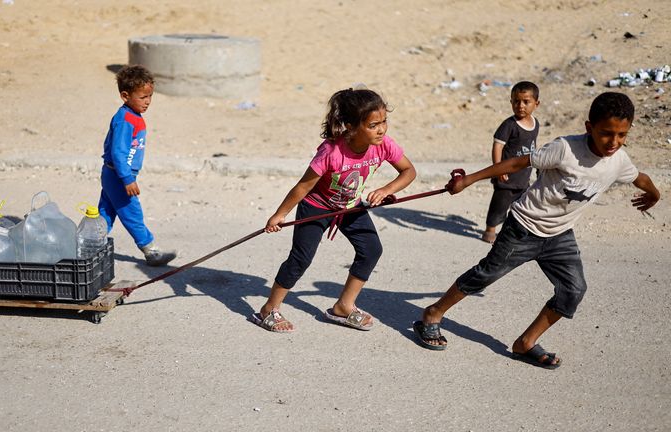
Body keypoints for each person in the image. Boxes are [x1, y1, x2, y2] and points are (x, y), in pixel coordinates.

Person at [413, 92, 660, 369]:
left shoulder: (619, 160)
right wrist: (469, 180)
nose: (613, 142)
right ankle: (433, 314)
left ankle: (525, 343)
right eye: (606, 133)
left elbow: (640, 177)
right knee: (485, 274)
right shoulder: (565, 149)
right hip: (523, 227)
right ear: (589, 127)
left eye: (621, 135)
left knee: (573, 290)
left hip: (559, 235)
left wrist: (654, 194)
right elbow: (519, 162)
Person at [251, 87, 417, 332]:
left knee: (371, 250)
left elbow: (409, 171)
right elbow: (303, 187)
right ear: (350, 126)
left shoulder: (384, 145)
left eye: (384, 122)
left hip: (350, 207)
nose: (381, 129)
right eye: (373, 125)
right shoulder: (331, 152)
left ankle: (343, 306)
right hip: (317, 207)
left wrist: (386, 189)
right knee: (300, 260)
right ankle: (268, 310)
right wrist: (280, 214)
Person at [98, 65, 176, 267]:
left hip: (114, 174)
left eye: (150, 96)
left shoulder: (132, 116)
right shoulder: (124, 120)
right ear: (125, 96)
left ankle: (88, 245)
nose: (148, 102)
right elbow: (118, 152)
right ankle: (150, 250)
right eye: (143, 97)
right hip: (118, 175)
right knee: (132, 213)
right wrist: (127, 179)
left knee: (105, 212)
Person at [482, 81, 540, 244]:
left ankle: (510, 232)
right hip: (506, 176)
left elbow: (533, 146)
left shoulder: (535, 124)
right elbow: (497, 146)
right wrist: (498, 169)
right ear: (511, 102)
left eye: (526, 102)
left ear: (536, 103)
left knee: (520, 206)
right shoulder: (509, 125)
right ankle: (490, 230)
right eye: (516, 101)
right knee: (499, 205)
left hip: (523, 176)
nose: (520, 105)